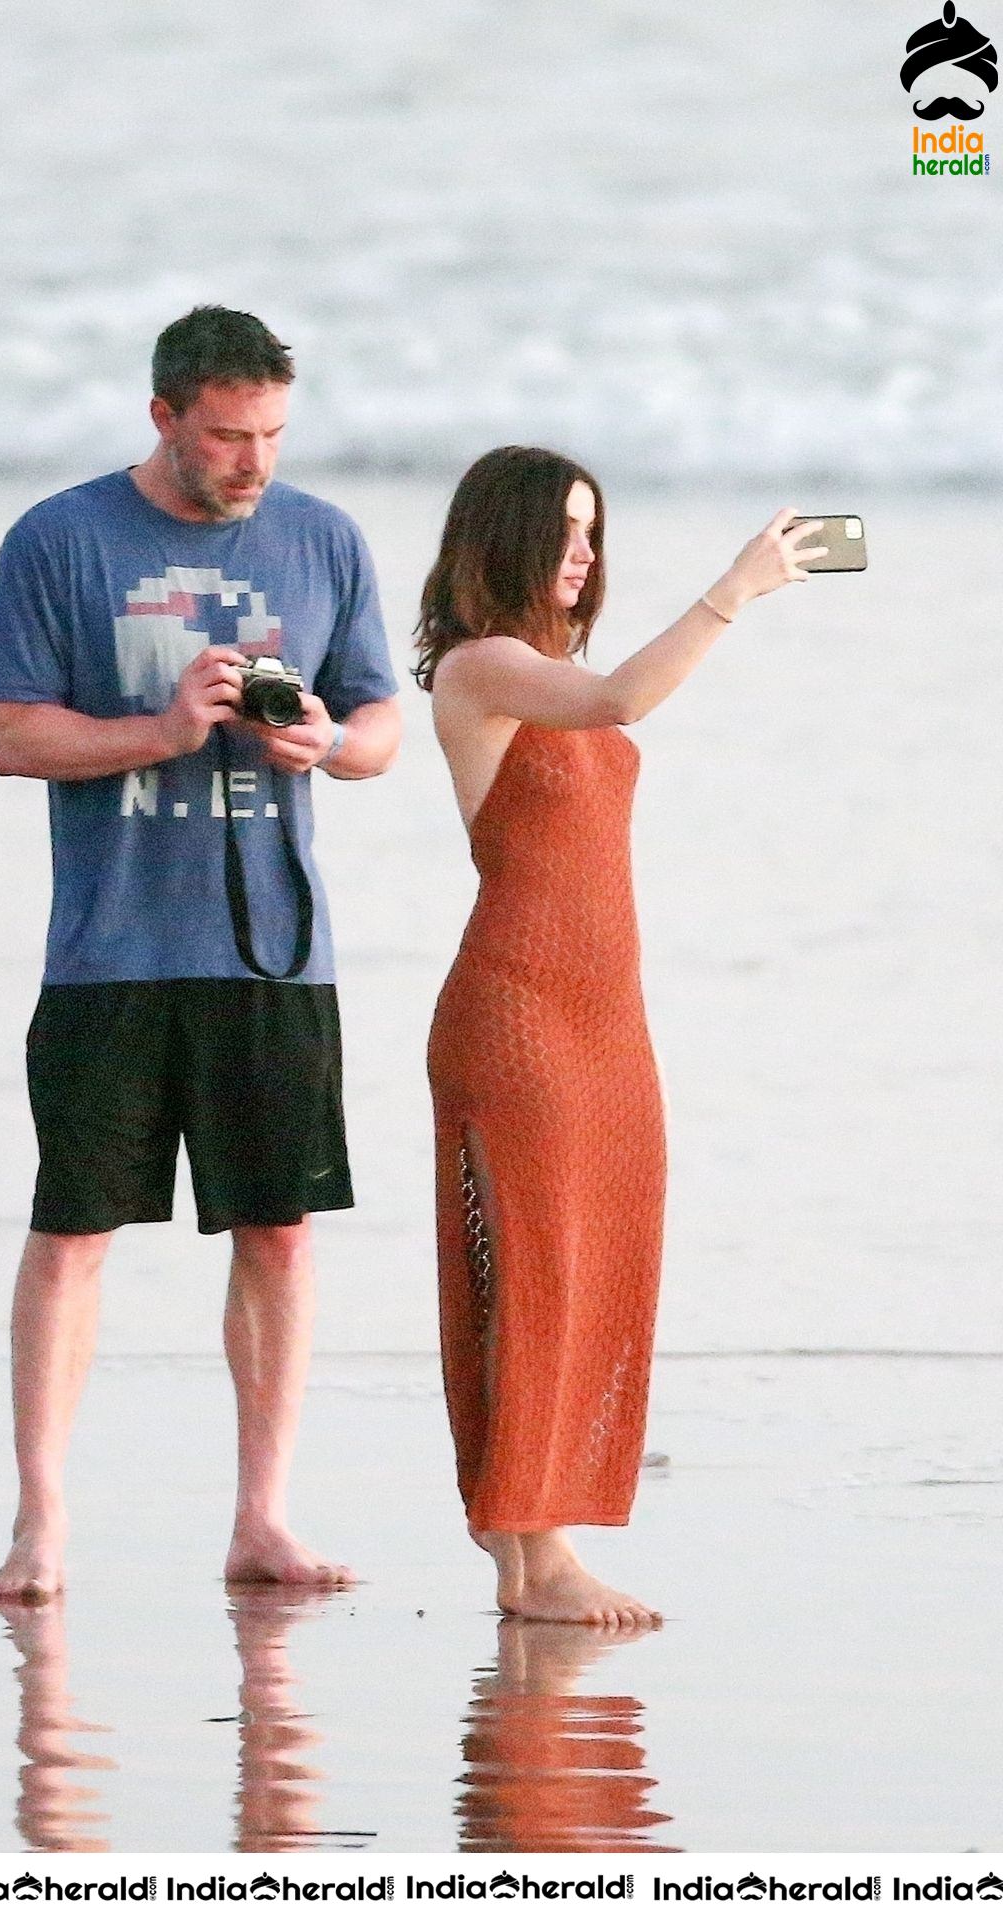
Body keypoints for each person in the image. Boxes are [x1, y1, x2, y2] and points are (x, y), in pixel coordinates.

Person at [0, 306, 402, 1603]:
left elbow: (383, 727)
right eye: (226, 435)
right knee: (75, 1231)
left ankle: (263, 1518)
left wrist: (324, 740)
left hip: (275, 954)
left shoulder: (325, 538)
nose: (253, 461)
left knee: (277, 1233)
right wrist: (160, 731)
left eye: (272, 432)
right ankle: (41, 1524)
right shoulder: (59, 539)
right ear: (163, 416)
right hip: (109, 951)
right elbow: (6, 733)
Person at [417, 447, 824, 1627]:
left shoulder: (548, 668)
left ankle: (540, 1544)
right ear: (502, 540)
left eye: (593, 528)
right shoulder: (481, 668)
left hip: (606, 1020)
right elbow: (618, 705)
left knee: (597, 1265)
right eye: (561, 529)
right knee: (532, 1271)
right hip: (517, 1012)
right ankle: (526, 1557)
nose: (584, 551)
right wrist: (729, 592)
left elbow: (603, 695)